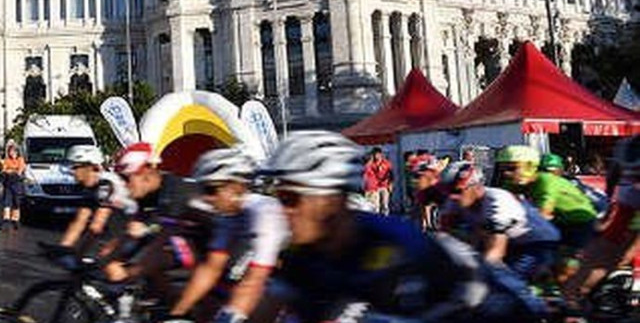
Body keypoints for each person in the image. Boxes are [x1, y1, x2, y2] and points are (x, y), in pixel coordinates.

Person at [261, 131, 544, 323]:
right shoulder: (300, 253)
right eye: (277, 198)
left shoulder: (393, 246)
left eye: (290, 198)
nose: (281, 210)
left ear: (332, 200)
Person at [167, 149, 288, 323]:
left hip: (313, 279)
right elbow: (211, 269)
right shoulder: (230, 216)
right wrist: (176, 314)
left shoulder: (263, 214)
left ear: (235, 187)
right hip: (278, 272)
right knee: (213, 296)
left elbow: (254, 281)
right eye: (203, 189)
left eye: (210, 190)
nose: (205, 198)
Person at [107, 142, 212, 305]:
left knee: (158, 256)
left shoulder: (176, 192)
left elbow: (162, 239)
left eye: (127, 178)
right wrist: (107, 261)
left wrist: (130, 272)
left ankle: (176, 310)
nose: (124, 186)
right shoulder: (146, 196)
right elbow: (131, 234)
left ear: (146, 172)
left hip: (216, 252)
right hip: (188, 247)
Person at [439, 160, 561, 282]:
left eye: (457, 191)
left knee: (504, 283)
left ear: (476, 187)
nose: (452, 197)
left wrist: (475, 277)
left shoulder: (497, 200)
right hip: (510, 241)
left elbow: (496, 251)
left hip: (537, 242)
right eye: (447, 191)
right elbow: (444, 237)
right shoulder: (454, 201)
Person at [563, 136, 640, 306]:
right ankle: (574, 298)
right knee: (613, 256)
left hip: (627, 202)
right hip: (628, 203)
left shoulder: (625, 143)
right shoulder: (626, 144)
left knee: (607, 255)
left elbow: (613, 176)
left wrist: (610, 204)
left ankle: (572, 298)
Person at [496, 146, 596, 251]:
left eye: (512, 168)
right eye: (502, 169)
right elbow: (501, 199)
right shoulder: (513, 182)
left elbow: (543, 214)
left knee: (566, 258)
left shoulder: (546, 181)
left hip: (580, 221)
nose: (506, 173)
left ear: (530, 166)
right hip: (557, 219)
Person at [59, 145, 133, 250]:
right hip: (119, 231)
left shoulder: (105, 183)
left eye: (75, 167)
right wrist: (64, 247)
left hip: (132, 230)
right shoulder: (89, 185)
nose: (72, 171)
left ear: (89, 167)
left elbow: (97, 226)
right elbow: (80, 219)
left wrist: (76, 256)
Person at [1, 143, 26, 228]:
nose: (11, 153)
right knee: (6, 202)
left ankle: (15, 220)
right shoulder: (7, 160)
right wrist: (13, 170)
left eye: (12, 151)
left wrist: (11, 170)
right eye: (10, 151)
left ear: (16, 152)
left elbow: (20, 171)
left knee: (16, 202)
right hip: (8, 183)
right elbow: (4, 170)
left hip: (17, 183)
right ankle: (6, 220)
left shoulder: (20, 159)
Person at [363, 147, 393, 215]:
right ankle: (378, 220)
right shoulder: (371, 164)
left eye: (377, 154)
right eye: (374, 154)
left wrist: (391, 184)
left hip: (384, 186)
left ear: (381, 154)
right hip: (375, 187)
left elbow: (391, 174)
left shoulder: (386, 163)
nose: (376, 156)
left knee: (385, 204)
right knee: (376, 206)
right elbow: (366, 172)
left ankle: (386, 218)